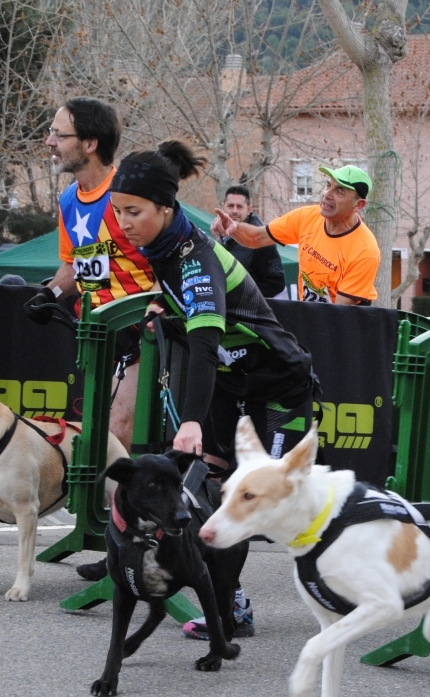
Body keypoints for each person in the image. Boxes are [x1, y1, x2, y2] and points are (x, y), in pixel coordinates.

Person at [110, 140, 319, 640]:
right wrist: (164, 313)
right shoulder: (164, 244)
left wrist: (191, 421)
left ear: (165, 209)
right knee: (214, 492)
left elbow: (206, 345)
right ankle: (228, 603)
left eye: (133, 212)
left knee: (264, 501)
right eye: (118, 212)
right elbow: (191, 318)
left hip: (275, 385)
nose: (124, 223)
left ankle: (362, 579)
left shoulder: (195, 257)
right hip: (235, 380)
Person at [28, 98, 153, 455]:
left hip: (142, 335)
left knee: (115, 429)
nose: (49, 142)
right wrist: (49, 294)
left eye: (58, 134)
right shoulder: (69, 199)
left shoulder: (128, 197)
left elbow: (170, 262)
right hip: (98, 335)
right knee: (93, 428)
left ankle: (115, 509)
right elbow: (74, 264)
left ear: (90, 144)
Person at [212, 165, 380, 305]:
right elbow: (256, 237)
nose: (327, 194)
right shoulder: (306, 217)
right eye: (328, 185)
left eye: (340, 191)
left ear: (359, 205)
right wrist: (233, 227)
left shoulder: (365, 251)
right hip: (311, 315)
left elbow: (339, 313)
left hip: (347, 325)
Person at [217, 186, 285, 298]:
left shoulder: (261, 241)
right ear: (223, 207)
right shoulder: (219, 239)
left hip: (249, 311)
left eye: (239, 207)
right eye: (230, 206)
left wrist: (243, 298)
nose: (234, 211)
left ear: (249, 209)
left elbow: (276, 283)